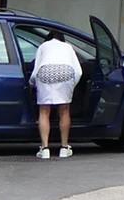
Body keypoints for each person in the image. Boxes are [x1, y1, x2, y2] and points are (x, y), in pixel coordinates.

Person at [29, 27, 84, 159]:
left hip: (45, 72)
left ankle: (45, 149)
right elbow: (78, 71)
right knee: (64, 111)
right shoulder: (68, 47)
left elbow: (36, 71)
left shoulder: (43, 47)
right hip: (65, 72)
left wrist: (32, 83)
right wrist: (71, 86)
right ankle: (64, 148)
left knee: (44, 111)